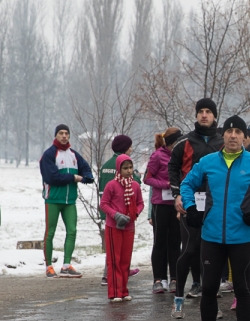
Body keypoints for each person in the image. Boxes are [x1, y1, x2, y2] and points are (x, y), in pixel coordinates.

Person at [181, 116, 250, 321]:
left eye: (238, 132)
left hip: (243, 237)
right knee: (209, 289)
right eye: (229, 131)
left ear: (246, 137)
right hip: (211, 236)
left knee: (243, 290)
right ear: (223, 135)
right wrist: (191, 208)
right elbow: (187, 184)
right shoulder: (208, 162)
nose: (233, 135)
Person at [169, 98, 224, 317]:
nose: (204, 115)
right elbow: (173, 168)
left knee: (211, 252)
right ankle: (178, 299)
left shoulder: (223, 142)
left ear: (214, 116)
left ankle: (211, 301)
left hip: (215, 204)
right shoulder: (184, 142)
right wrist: (177, 195)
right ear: (196, 115)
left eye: (208, 112)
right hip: (190, 202)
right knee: (190, 249)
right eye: (200, 111)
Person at [40, 124, 94, 278]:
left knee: (72, 231)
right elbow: (52, 177)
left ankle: (66, 266)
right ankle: (49, 266)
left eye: (66, 133)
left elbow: (87, 170)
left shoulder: (74, 155)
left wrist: (87, 176)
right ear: (56, 135)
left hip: (70, 201)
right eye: (61, 133)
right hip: (53, 200)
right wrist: (74, 178)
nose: (64, 136)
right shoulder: (49, 155)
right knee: (50, 233)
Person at [100, 154, 144, 302]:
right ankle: (114, 292)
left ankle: (124, 291)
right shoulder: (111, 185)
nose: (129, 171)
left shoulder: (135, 185)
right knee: (114, 260)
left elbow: (140, 203)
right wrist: (116, 215)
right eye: (125, 168)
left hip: (129, 226)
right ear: (118, 169)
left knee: (125, 260)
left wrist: (134, 213)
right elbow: (104, 204)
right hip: (114, 227)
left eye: (130, 167)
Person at [145, 128, 183, 294]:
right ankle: (158, 279)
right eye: (177, 143)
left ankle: (175, 278)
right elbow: (147, 178)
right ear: (169, 143)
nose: (179, 145)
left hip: (176, 203)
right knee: (160, 242)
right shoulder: (157, 156)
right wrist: (165, 184)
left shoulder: (181, 155)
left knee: (175, 242)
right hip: (160, 204)